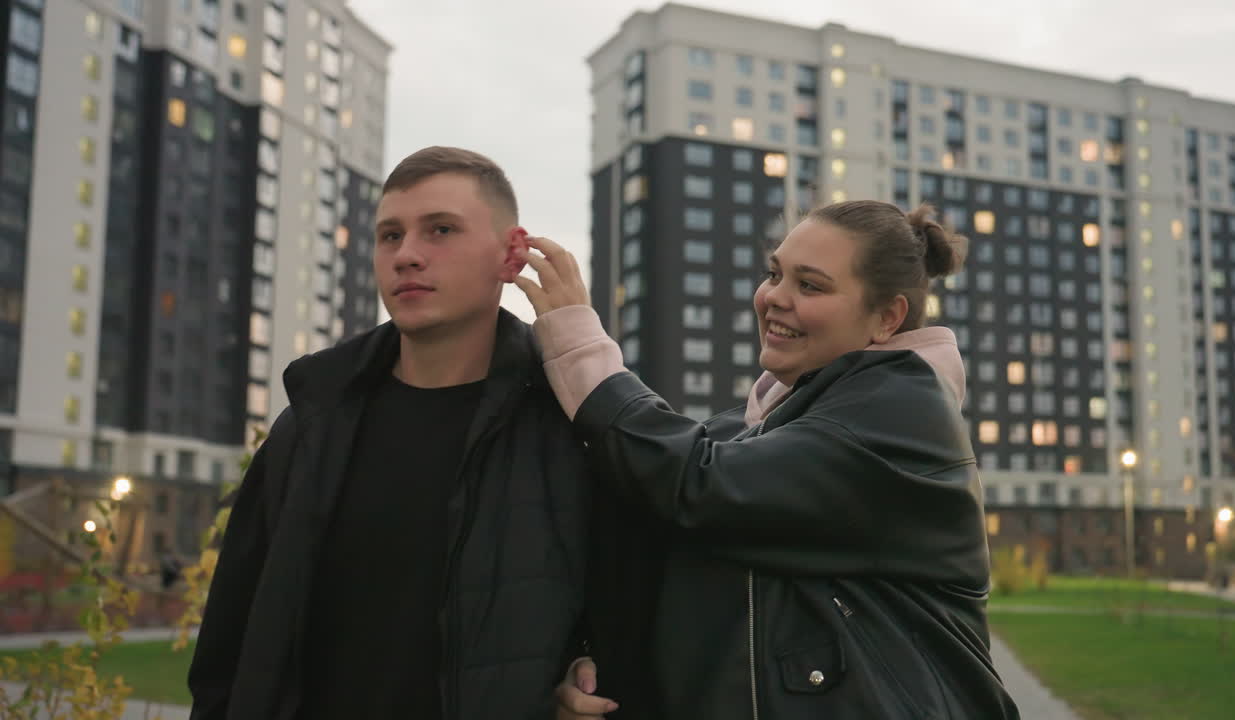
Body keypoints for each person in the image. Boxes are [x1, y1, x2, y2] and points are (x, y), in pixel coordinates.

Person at [518, 201, 1021, 719]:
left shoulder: (901, 411)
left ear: (887, 318)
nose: (773, 298)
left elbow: (696, 484)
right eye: (774, 274)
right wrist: (593, 668)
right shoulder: (749, 427)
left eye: (810, 286)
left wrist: (577, 346)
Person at [188, 147, 595, 719]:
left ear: (511, 255)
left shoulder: (567, 428)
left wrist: (583, 670)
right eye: (390, 236)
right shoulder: (310, 426)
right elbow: (230, 635)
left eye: (441, 230)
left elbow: (619, 613)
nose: (406, 255)